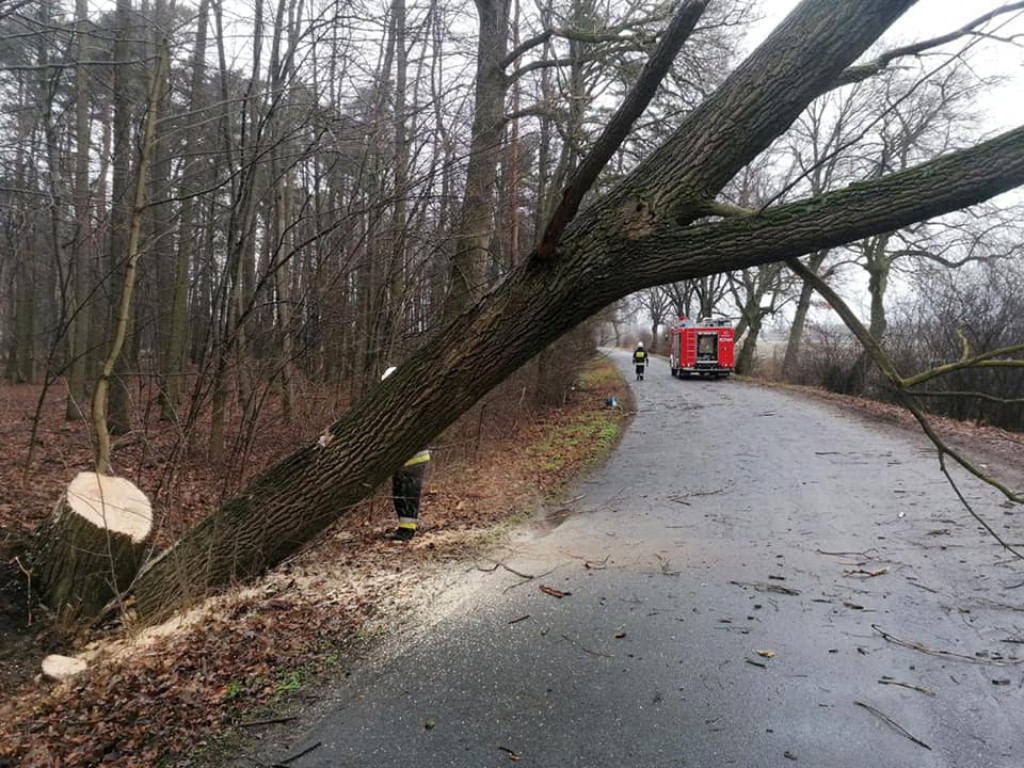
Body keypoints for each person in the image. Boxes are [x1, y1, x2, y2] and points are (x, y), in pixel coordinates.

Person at [381, 366, 431, 542]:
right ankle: (404, 528)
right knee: (400, 493)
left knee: (408, 493)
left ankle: (407, 531)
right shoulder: (402, 401)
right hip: (406, 458)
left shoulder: (404, 403)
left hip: (414, 457)